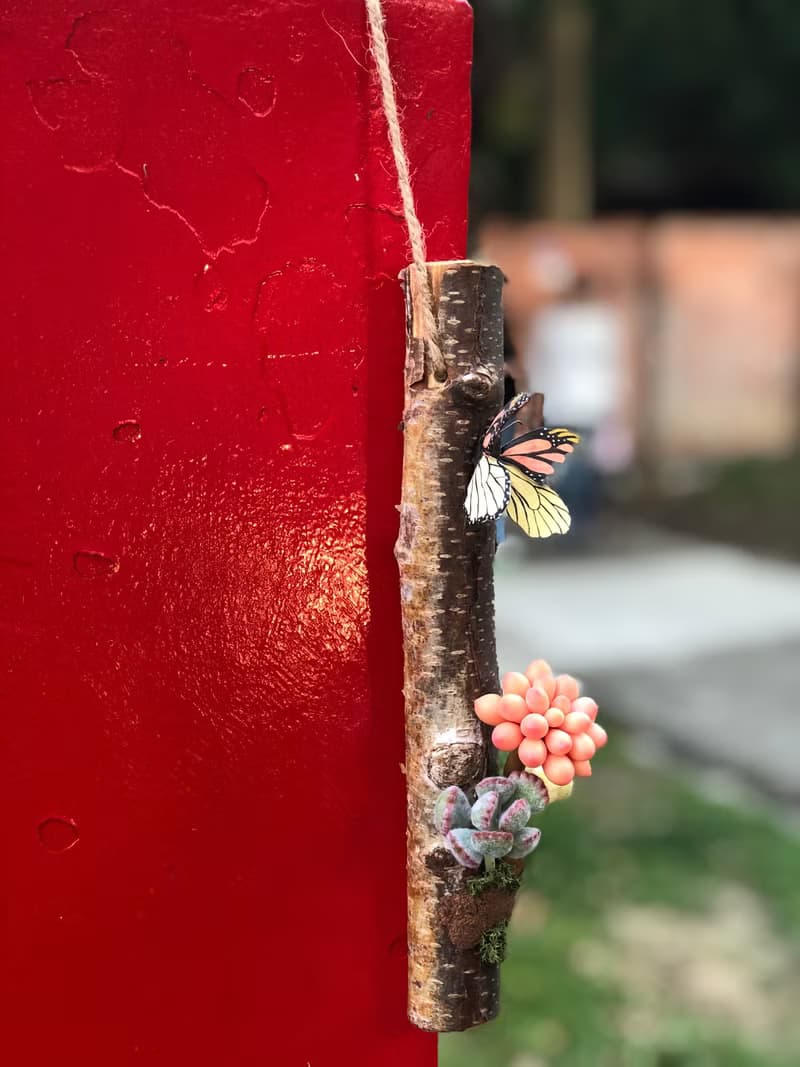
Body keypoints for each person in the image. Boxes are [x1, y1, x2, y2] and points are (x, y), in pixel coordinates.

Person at [523, 275, 628, 529]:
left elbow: (537, 363)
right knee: (589, 463)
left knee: (565, 464)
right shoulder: (603, 321)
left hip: (562, 402)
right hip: (594, 403)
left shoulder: (552, 321)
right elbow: (613, 364)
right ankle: (585, 519)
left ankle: (567, 518)